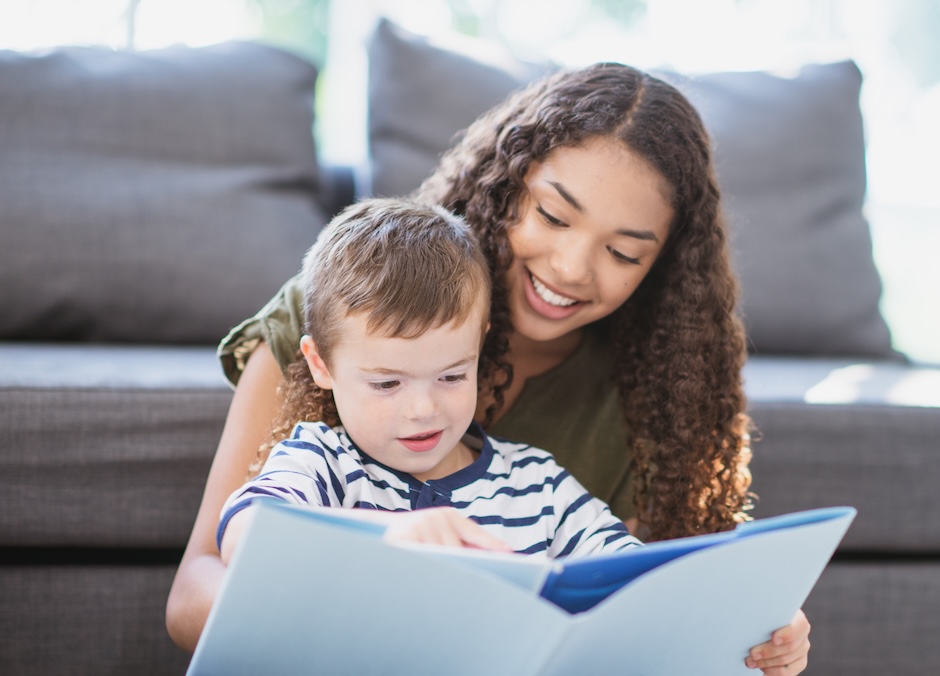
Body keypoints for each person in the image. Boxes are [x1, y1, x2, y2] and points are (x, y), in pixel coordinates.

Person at [167, 61, 812, 674]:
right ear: (505, 187)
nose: (570, 268)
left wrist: (749, 627)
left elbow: (640, 595)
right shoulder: (347, 321)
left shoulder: (571, 460)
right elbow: (218, 567)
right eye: (552, 216)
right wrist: (374, 586)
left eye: (621, 252)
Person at [217, 198, 641, 564]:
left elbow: (632, 571)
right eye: (386, 384)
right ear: (322, 365)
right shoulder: (323, 463)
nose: (424, 410)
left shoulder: (540, 486)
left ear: (480, 346)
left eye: (452, 375)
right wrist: (385, 534)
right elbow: (243, 535)